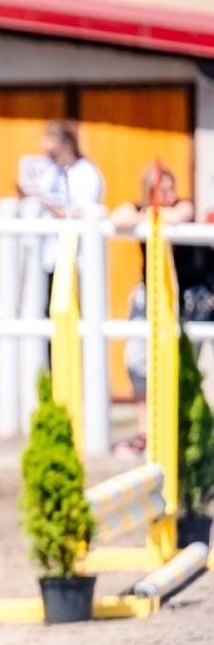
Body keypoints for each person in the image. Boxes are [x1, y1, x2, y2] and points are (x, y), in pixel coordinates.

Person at [110, 165, 204, 457]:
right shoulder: (140, 209)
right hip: (150, 293)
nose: (170, 195)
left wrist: (153, 215)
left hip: (185, 297)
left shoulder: (182, 205)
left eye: (171, 188)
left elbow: (181, 214)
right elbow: (118, 217)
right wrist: (149, 215)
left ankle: (177, 432)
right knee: (137, 362)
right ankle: (146, 432)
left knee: (181, 364)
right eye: (163, 190)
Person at [23, 121, 105, 278]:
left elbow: (85, 214)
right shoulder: (51, 172)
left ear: (67, 144)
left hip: (78, 261)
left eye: (53, 152)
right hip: (49, 258)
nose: (50, 157)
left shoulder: (86, 173)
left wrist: (46, 203)